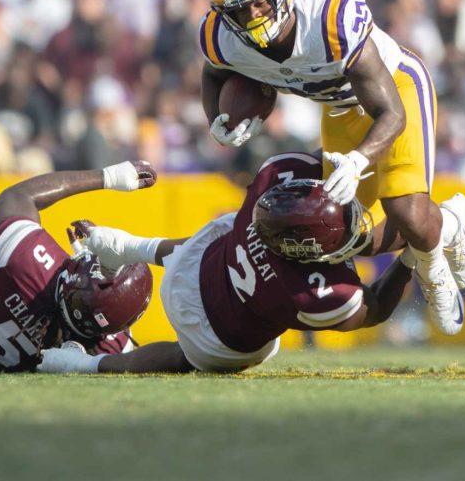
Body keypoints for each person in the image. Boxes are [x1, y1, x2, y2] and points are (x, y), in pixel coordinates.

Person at [196, 0, 465, 335]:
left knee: (406, 210)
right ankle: (446, 224)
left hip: (395, 91)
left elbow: (392, 114)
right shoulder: (223, 38)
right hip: (340, 110)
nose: (251, 15)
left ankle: (434, 268)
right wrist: (217, 120)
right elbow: (213, 73)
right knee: (343, 233)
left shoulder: (329, 20)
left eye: (260, 1)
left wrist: (359, 160)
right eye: (238, 8)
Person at [37, 152, 416, 374]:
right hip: (216, 342)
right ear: (305, 251)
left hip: (191, 270)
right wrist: (414, 256)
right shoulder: (307, 293)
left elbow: (321, 154)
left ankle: (121, 246)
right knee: (183, 358)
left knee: (226, 229)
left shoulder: (270, 181)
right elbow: (377, 307)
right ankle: (86, 365)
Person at [0, 160, 155, 374]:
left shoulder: (27, 266)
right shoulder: (110, 343)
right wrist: (91, 365)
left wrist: (107, 176)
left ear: (76, 284)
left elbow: (17, 197)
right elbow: (169, 356)